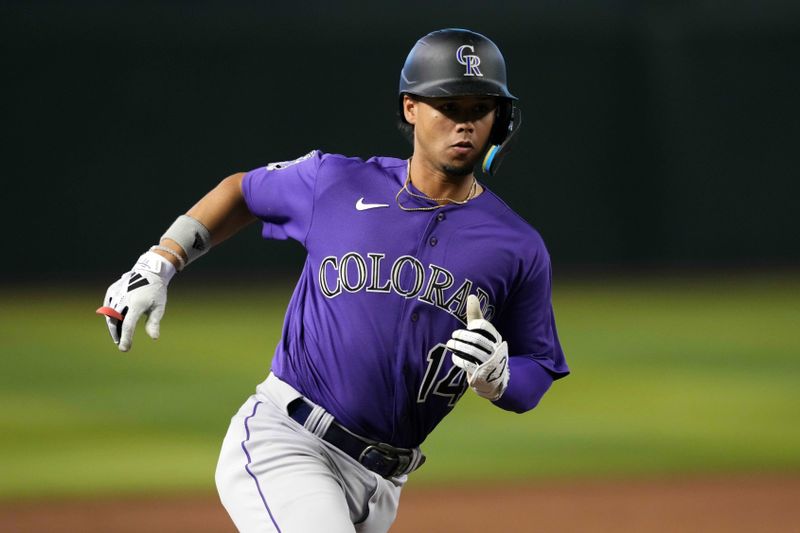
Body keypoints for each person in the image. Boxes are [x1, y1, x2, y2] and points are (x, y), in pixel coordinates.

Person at [98, 28, 569, 533]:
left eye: (480, 108)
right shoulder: (338, 182)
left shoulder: (517, 245)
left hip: (385, 482)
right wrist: (160, 261)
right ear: (411, 107)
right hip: (289, 441)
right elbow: (243, 192)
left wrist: (500, 380)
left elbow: (539, 365)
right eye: (448, 105)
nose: (464, 124)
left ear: (500, 119)